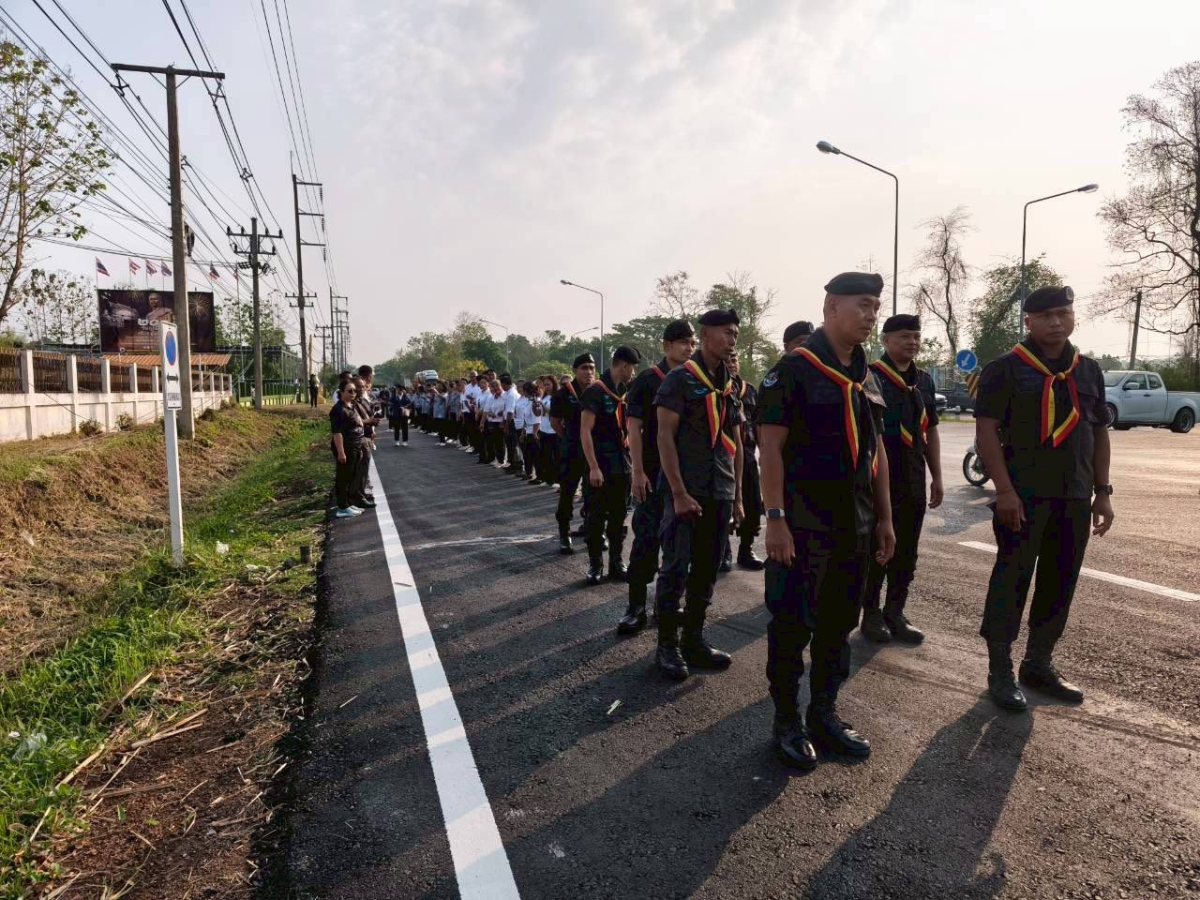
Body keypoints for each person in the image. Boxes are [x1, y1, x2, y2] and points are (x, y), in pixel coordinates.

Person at [758, 272, 895, 768]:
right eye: (863, 305)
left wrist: (884, 518)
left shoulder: (865, 374)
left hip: (853, 526)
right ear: (831, 307)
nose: (871, 315)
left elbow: (876, 450)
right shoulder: (793, 370)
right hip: (802, 525)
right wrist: (775, 519)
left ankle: (823, 714)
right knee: (792, 627)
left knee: (838, 627)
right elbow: (770, 450)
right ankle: (786, 721)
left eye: (875, 306)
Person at [974, 285, 1113, 711]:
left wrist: (1103, 492)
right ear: (1028, 321)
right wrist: (1004, 491)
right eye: (1046, 315)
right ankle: (1000, 670)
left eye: (1063, 313)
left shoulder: (1087, 370)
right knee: (1011, 579)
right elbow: (986, 434)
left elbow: (1098, 433)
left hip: (1074, 496)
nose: (1056, 322)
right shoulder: (1005, 369)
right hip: (1023, 498)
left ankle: (1038, 663)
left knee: (1060, 581)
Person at [652, 309, 743, 681]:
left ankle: (693, 639)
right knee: (676, 568)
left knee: (706, 569)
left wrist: (737, 497)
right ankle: (667, 645)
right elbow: (664, 437)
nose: (732, 340)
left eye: (735, 333)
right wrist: (677, 492)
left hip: (719, 490)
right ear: (705, 335)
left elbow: (735, 441)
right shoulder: (680, 379)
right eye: (726, 332)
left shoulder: (728, 384)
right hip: (686, 492)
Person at [860, 314, 944, 645]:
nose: (912, 342)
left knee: (907, 550)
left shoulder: (923, 380)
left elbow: (930, 430)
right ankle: (870, 613)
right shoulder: (870, 377)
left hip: (913, 477)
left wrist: (937, 476)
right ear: (886, 341)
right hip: (879, 478)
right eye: (904, 336)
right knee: (877, 548)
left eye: (916, 336)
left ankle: (895, 611)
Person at [619, 319, 696, 635]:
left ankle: (667, 606)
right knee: (646, 542)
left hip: (685, 478)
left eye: (692, 342)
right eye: (683, 342)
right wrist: (637, 472)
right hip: (652, 475)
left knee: (679, 549)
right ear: (666, 345)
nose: (689, 348)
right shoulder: (649, 380)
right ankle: (635, 606)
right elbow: (633, 429)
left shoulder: (696, 378)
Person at [580, 345, 640, 585]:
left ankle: (616, 562)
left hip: (622, 465)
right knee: (595, 517)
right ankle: (595, 565)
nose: (634, 373)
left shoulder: (625, 391)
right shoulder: (595, 391)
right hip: (600, 465)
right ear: (623, 366)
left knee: (618, 516)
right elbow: (585, 431)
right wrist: (593, 467)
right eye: (632, 368)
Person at [721, 353, 765, 572]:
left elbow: (759, 423)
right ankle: (723, 551)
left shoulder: (750, 390)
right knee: (723, 502)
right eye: (727, 360)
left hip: (747, 455)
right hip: (722, 454)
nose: (731, 364)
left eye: (734, 360)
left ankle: (746, 549)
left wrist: (763, 451)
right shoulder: (717, 388)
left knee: (753, 502)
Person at [550, 354, 597, 554]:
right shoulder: (563, 394)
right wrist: (570, 439)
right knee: (568, 492)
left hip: (594, 451)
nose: (589, 372)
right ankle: (564, 533)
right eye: (584, 367)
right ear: (575, 370)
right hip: (572, 450)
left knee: (594, 492)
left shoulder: (598, 390)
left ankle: (592, 529)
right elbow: (555, 423)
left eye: (592, 368)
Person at [330, 382, 365, 518]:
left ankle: (348, 503)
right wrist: (341, 452)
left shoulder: (351, 406)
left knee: (351, 476)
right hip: (346, 448)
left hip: (355, 446)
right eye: (349, 391)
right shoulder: (338, 409)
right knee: (343, 477)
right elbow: (336, 432)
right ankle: (342, 507)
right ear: (341, 392)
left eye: (354, 391)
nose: (353, 393)